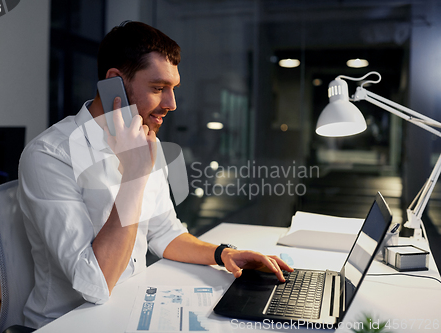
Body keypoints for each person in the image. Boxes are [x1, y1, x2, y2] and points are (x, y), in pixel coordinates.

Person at [17, 21, 292, 329]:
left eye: (173, 89)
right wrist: (135, 175)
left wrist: (223, 253)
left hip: (128, 307)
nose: (171, 105)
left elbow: (164, 233)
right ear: (114, 84)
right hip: (67, 322)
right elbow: (95, 284)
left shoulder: (147, 142)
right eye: (159, 88)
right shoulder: (50, 155)